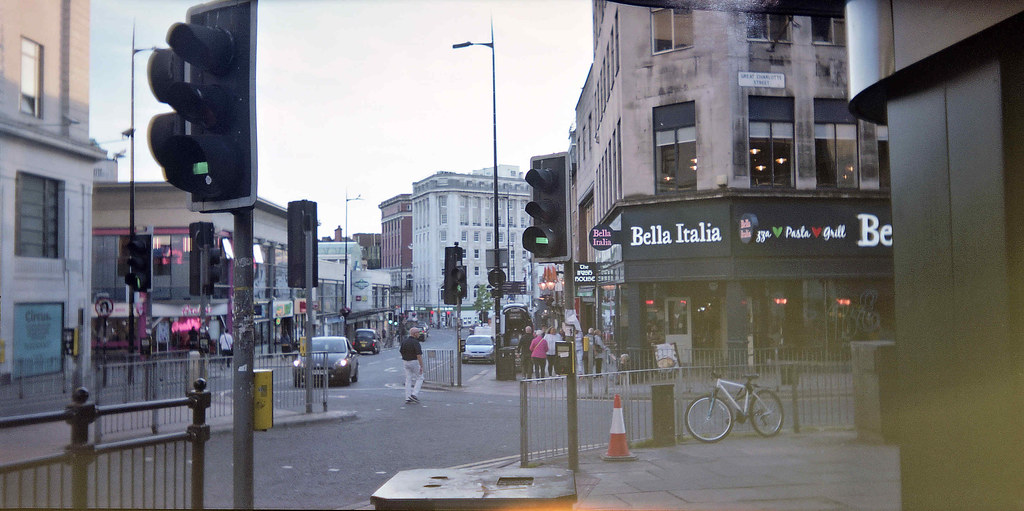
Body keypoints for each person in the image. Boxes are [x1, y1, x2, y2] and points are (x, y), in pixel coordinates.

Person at [400, 327, 424, 404]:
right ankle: (414, 394)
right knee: (420, 377)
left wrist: (405, 357)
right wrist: (421, 365)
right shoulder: (416, 342)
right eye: (418, 333)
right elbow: (419, 355)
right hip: (414, 361)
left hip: (405, 361)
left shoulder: (404, 341)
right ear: (414, 334)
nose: (419, 334)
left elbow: (401, 351)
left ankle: (407, 397)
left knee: (408, 379)